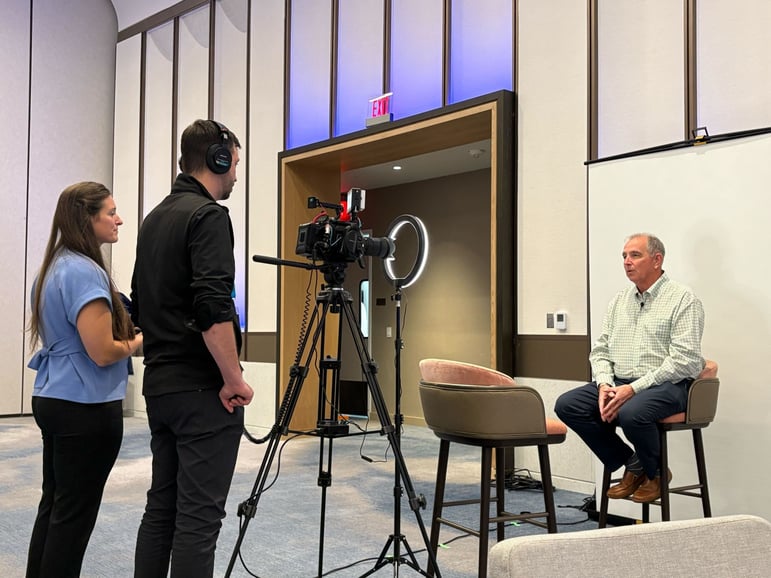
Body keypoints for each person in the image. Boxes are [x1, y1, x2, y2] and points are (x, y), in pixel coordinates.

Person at [131, 119, 254, 578]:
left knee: (161, 509)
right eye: (235, 163)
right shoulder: (209, 216)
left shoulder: (154, 219)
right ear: (218, 159)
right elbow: (212, 308)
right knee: (199, 520)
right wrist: (233, 378)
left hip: (160, 388)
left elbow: (140, 304)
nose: (237, 175)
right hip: (202, 394)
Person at [26, 182, 143, 578]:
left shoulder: (52, 268)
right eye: (111, 212)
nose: (119, 219)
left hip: (54, 396)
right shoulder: (85, 271)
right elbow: (103, 350)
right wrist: (141, 340)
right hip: (85, 406)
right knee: (73, 519)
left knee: (56, 507)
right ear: (86, 219)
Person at [555, 233, 705, 503]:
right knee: (569, 404)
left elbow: (684, 360)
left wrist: (633, 389)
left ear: (657, 260)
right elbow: (600, 351)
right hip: (620, 381)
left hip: (668, 385)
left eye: (635, 255)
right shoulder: (619, 300)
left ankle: (657, 473)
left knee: (631, 412)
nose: (626, 262)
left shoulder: (683, 299)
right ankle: (633, 463)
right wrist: (604, 385)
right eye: (624, 256)